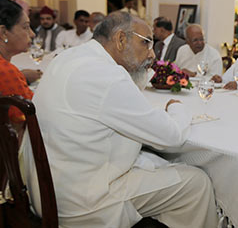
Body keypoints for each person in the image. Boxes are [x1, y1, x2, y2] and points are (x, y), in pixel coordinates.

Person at [25, 12, 217, 227]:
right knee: (196, 182)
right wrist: (178, 108)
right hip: (83, 201)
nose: (152, 54)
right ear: (120, 39)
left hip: (45, 188)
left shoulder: (69, 58)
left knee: (158, 164)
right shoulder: (107, 75)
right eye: (146, 43)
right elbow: (171, 137)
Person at [0, 0, 39, 131]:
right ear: (4, 32)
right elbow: (32, 117)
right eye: (26, 27)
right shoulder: (6, 71)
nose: (32, 34)